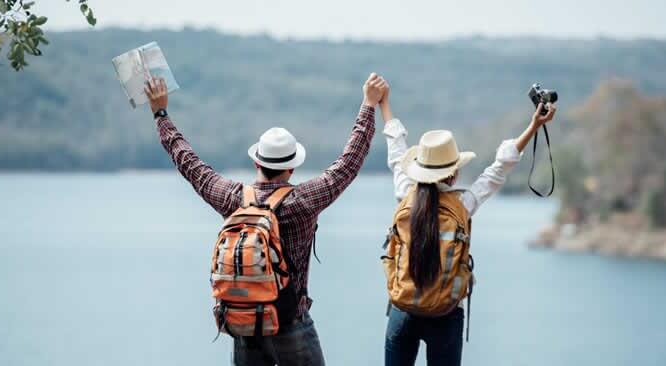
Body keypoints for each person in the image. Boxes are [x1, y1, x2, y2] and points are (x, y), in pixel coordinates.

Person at [144, 73, 389, 365]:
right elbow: (348, 164)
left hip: (245, 325)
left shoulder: (234, 199)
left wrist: (161, 114)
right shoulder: (302, 202)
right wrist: (368, 105)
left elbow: (190, 164)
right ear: (292, 169)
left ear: (257, 162)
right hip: (291, 324)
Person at [379, 87, 556, 366]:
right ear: (454, 172)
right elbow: (499, 169)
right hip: (445, 315)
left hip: (404, 309)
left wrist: (384, 104)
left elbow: (396, 150)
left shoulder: (405, 193)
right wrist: (535, 125)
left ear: (419, 167)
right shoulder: (463, 204)